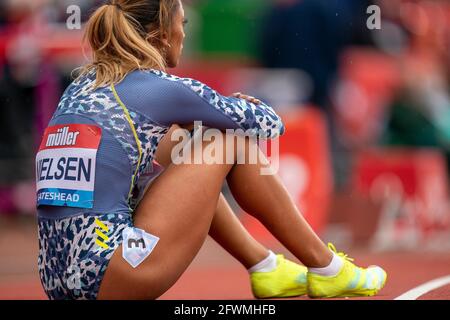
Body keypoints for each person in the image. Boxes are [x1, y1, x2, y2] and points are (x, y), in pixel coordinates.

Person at [36, 0, 387, 300]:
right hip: (117, 272)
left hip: (58, 280)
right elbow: (268, 124)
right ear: (160, 34)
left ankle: (264, 265)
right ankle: (325, 266)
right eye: (182, 23)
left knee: (180, 146)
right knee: (227, 141)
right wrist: (228, 111)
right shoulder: (158, 88)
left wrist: (191, 125)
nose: (185, 34)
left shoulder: (81, 87)